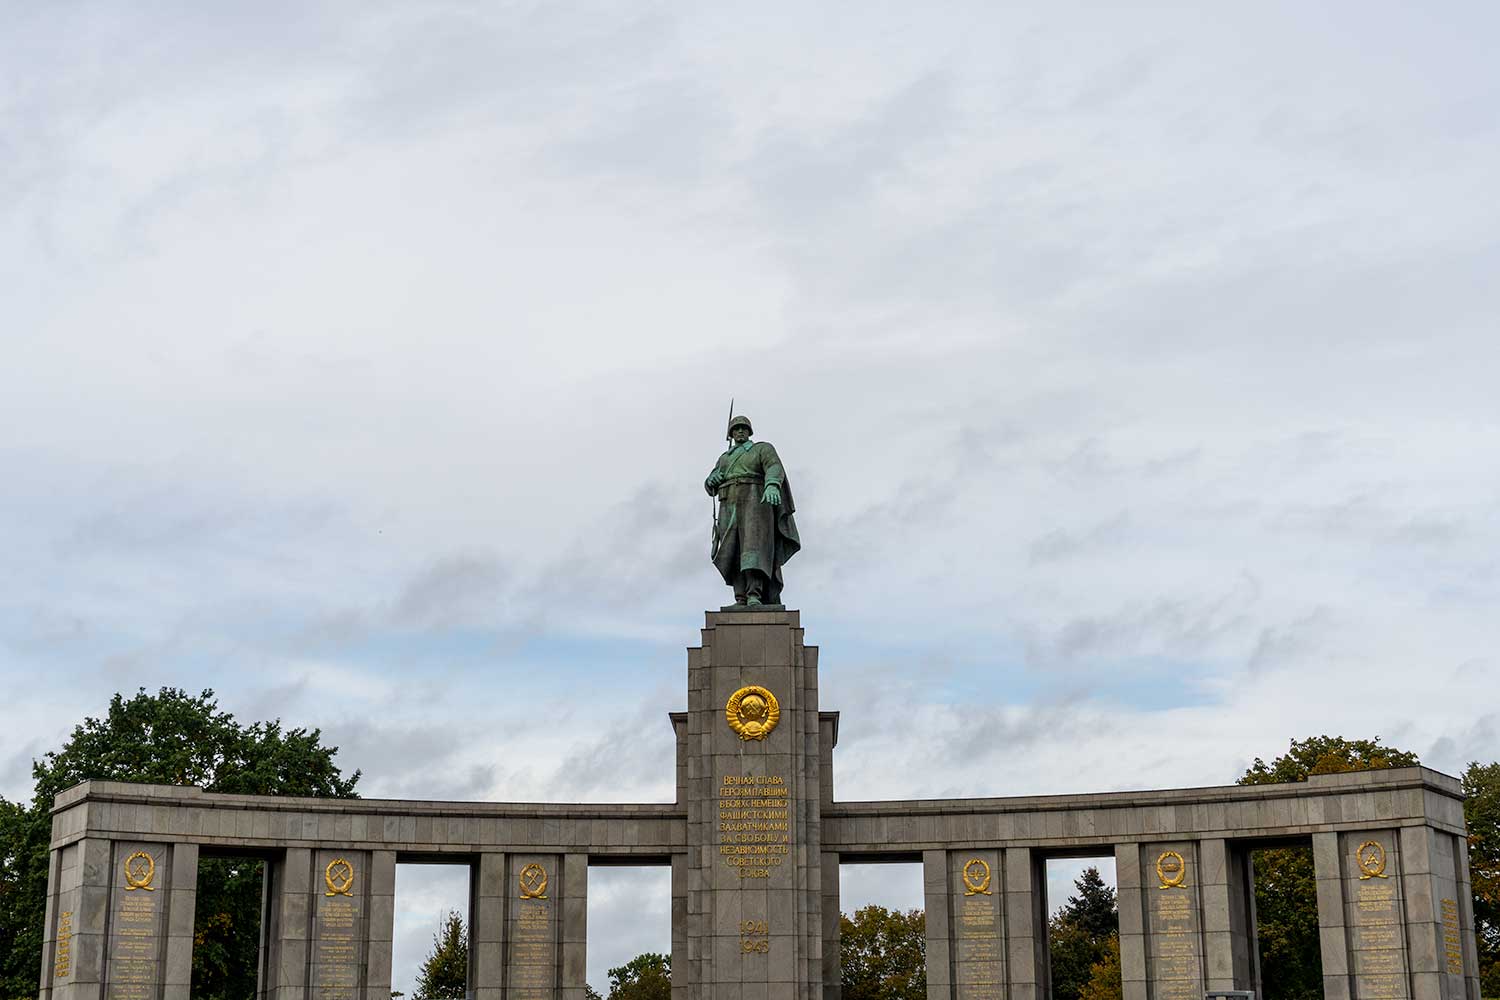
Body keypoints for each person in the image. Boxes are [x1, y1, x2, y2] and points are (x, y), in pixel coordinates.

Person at [705, 415, 801, 607]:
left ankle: (754, 594)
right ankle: (740, 597)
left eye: (744, 428)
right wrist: (711, 480)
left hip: (755, 500)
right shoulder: (725, 458)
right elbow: (711, 481)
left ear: (750, 432)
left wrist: (772, 484)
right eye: (736, 429)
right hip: (728, 502)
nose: (740, 431)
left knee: (752, 549)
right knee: (732, 550)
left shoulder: (762, 449)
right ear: (731, 433)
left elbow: (774, 466)